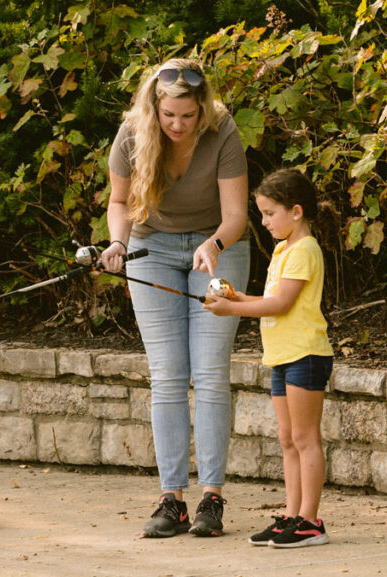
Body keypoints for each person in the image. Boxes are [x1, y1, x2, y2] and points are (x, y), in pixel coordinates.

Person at [98, 58, 250, 538]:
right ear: (154, 107)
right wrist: (119, 243)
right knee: (167, 376)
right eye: (169, 116)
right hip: (152, 246)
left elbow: (236, 215)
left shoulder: (223, 130)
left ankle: (211, 499)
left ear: (200, 108)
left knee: (208, 373)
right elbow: (119, 203)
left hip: (216, 247)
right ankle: (171, 500)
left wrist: (215, 244)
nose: (178, 125)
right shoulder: (130, 135)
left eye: (187, 116)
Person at [204, 168, 335, 548]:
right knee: (287, 438)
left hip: (306, 354)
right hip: (281, 355)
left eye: (268, 213)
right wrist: (236, 298)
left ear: (296, 211)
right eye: (260, 213)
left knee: (305, 438)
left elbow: (281, 304)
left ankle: (311, 521)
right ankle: (292, 516)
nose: (262, 222)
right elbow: (267, 300)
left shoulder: (305, 250)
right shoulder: (282, 248)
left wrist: (232, 312)